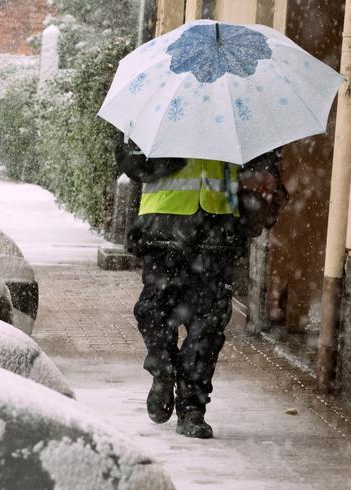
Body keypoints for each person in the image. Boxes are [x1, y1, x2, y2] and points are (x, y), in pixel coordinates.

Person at [116, 140, 286, 439]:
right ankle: (162, 370)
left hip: (216, 237)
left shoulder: (236, 114)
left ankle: (192, 409)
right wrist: (174, 153)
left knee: (208, 326)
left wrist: (256, 203)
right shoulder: (163, 107)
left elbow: (264, 173)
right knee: (153, 312)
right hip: (162, 232)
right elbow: (131, 164)